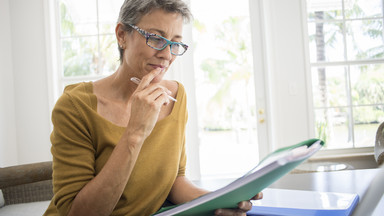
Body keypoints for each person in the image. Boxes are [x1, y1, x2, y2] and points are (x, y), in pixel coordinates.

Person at [44, 0, 262, 215]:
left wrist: (217, 200)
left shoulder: (177, 96)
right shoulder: (75, 107)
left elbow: (174, 180)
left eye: (175, 44)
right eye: (156, 39)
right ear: (122, 35)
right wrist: (135, 132)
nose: (167, 56)